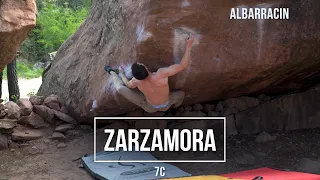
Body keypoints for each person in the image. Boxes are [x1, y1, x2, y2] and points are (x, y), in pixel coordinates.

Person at [105, 34, 195, 113]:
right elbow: (182, 66)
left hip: (150, 108)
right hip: (166, 105)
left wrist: (121, 74)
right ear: (147, 69)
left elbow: (128, 85)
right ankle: (175, 108)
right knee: (181, 94)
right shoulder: (161, 75)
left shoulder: (136, 81)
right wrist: (189, 45)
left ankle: (113, 73)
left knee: (120, 89)